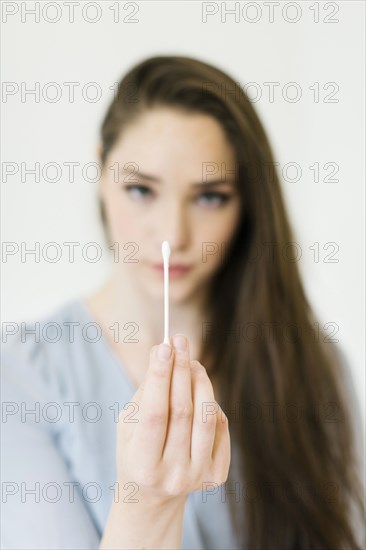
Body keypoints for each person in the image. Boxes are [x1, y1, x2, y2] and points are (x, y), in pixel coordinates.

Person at [1, 55, 364, 549]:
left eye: (210, 197)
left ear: (248, 204)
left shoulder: (313, 365)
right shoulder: (19, 375)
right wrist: (148, 502)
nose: (173, 234)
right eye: (140, 190)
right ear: (100, 171)